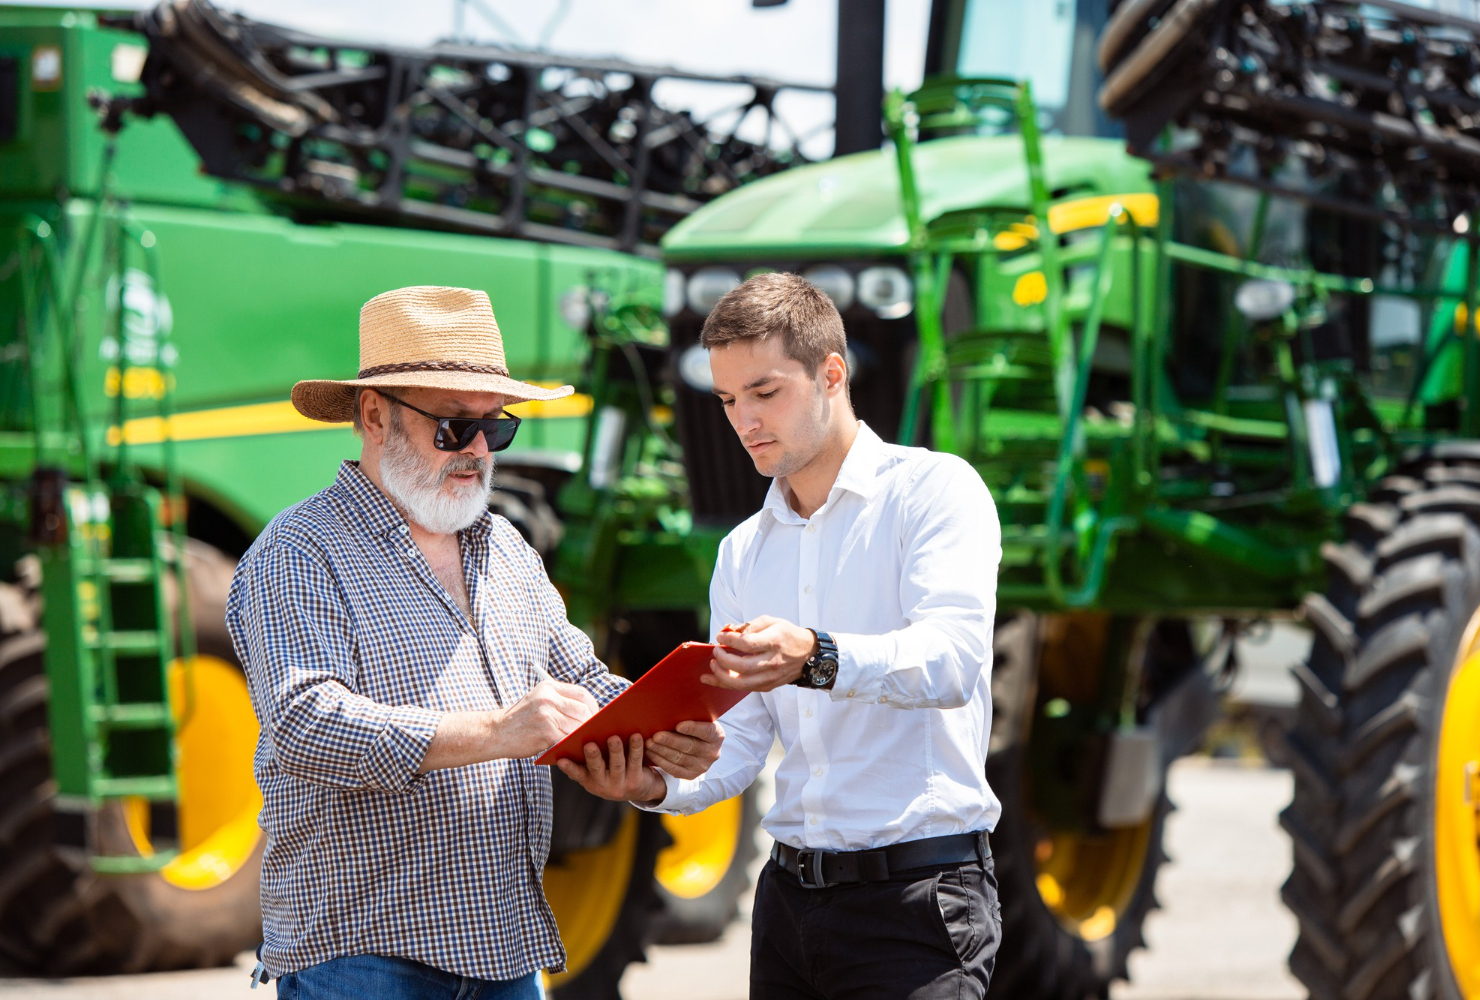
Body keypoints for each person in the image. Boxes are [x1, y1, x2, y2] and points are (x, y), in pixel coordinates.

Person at [226, 286, 723, 1000]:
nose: (481, 450)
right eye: (456, 428)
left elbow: (581, 680)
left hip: (503, 949)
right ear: (374, 416)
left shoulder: (508, 548)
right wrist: (497, 731)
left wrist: (659, 749)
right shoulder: (300, 552)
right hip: (362, 957)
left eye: (498, 428)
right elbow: (307, 724)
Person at [565, 272, 1004, 999]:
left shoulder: (935, 492)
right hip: (787, 906)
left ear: (833, 374)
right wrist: (654, 783)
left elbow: (952, 662)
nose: (745, 421)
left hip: (918, 901)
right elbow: (740, 742)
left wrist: (816, 655)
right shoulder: (744, 550)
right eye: (729, 401)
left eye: (765, 393)